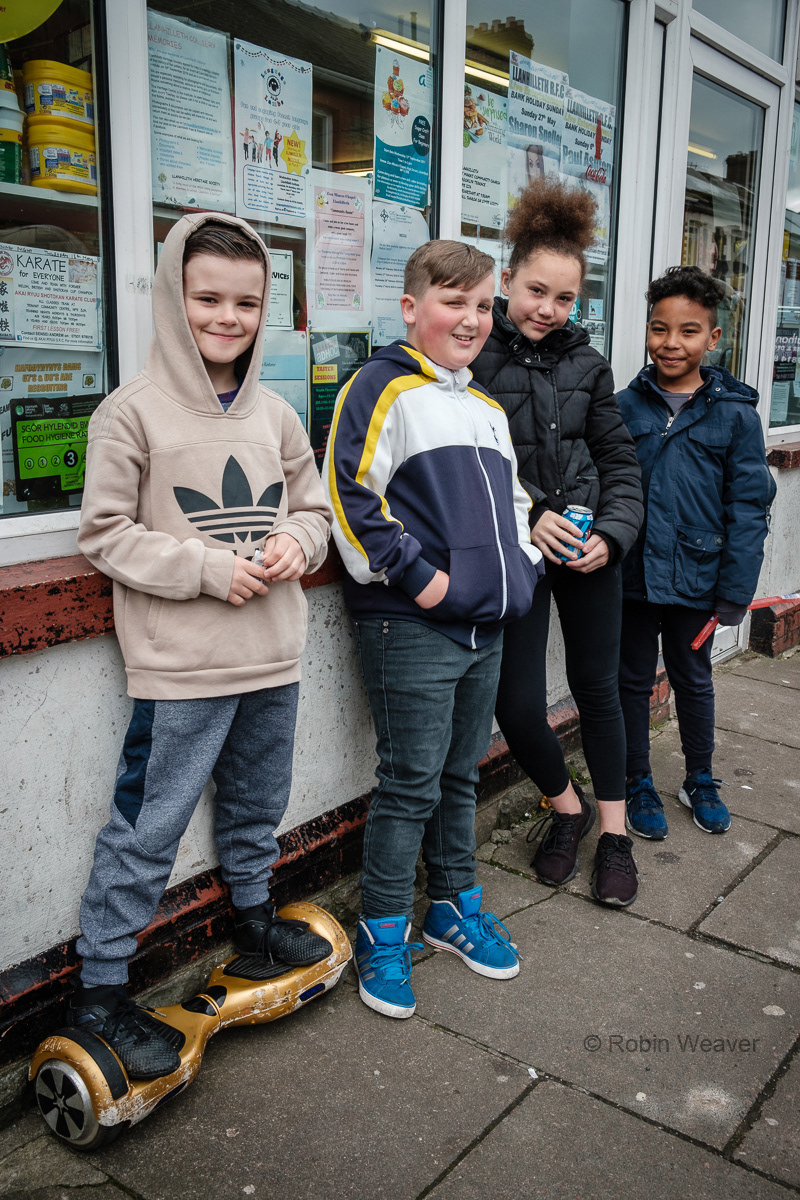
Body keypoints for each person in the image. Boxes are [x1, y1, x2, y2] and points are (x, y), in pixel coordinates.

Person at [69, 213, 333, 1078]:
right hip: (181, 669)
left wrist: (303, 540)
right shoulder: (130, 413)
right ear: (171, 297)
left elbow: (313, 508)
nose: (228, 316)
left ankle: (251, 917)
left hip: (272, 657)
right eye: (208, 296)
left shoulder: (276, 413)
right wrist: (206, 570)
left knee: (259, 800)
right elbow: (105, 536)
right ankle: (103, 987)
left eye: (247, 302)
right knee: (148, 827)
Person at [323, 241, 543, 1018]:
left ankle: (452, 905)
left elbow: (515, 509)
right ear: (412, 307)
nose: (472, 318)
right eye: (454, 301)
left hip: (486, 626)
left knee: (461, 775)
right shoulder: (380, 387)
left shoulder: (483, 406)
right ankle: (384, 927)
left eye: (484, 305)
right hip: (409, 626)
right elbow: (351, 498)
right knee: (410, 781)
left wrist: (516, 576)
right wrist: (428, 582)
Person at [471, 177, 644, 907]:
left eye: (565, 297)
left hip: (589, 550)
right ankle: (563, 808)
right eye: (535, 290)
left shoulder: (589, 362)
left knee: (601, 692)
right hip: (517, 550)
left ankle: (614, 834)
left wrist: (612, 534)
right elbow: (474, 464)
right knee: (516, 704)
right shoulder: (472, 357)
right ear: (506, 279)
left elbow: (620, 462)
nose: (548, 308)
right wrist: (531, 513)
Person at [617, 265, 775, 838]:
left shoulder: (736, 415)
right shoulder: (622, 407)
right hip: (631, 577)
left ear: (712, 339)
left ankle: (699, 777)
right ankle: (637, 779)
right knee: (630, 680)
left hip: (698, 579)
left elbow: (747, 508)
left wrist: (735, 591)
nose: (670, 343)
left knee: (693, 677)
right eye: (660, 329)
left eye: (687, 331)